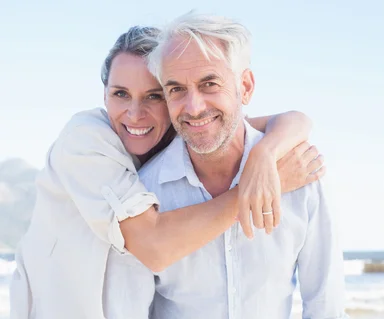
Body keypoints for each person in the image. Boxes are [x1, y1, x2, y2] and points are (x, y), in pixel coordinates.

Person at [9, 25, 325, 319]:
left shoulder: (178, 134)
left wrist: (264, 155)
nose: (134, 113)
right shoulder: (85, 139)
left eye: (154, 96)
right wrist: (258, 189)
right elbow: (153, 246)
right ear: (104, 94)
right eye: (120, 93)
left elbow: (282, 121)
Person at [109, 12, 347, 319]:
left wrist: (263, 156)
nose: (194, 107)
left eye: (209, 84)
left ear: (245, 86)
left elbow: (325, 306)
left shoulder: (301, 173)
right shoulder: (143, 194)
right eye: (176, 89)